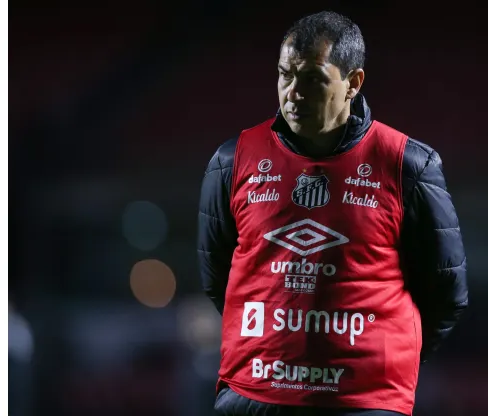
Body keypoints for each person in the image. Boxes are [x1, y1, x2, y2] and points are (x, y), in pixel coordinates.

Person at [197, 11, 468, 416]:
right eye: (285, 75)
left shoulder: (408, 165)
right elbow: (218, 277)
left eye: (313, 79)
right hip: (253, 396)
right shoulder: (232, 160)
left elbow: (446, 292)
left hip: (361, 403)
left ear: (353, 83)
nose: (293, 92)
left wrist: (379, 360)